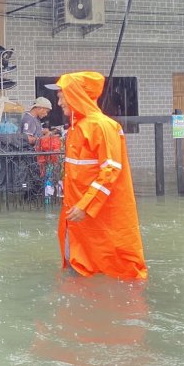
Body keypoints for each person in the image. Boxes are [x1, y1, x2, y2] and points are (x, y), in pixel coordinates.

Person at [47, 71, 147, 280]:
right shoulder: (78, 128)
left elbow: (110, 170)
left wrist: (85, 205)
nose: (58, 102)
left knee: (109, 272)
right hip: (80, 220)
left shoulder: (101, 127)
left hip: (98, 219)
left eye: (61, 95)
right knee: (81, 271)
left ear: (75, 95)